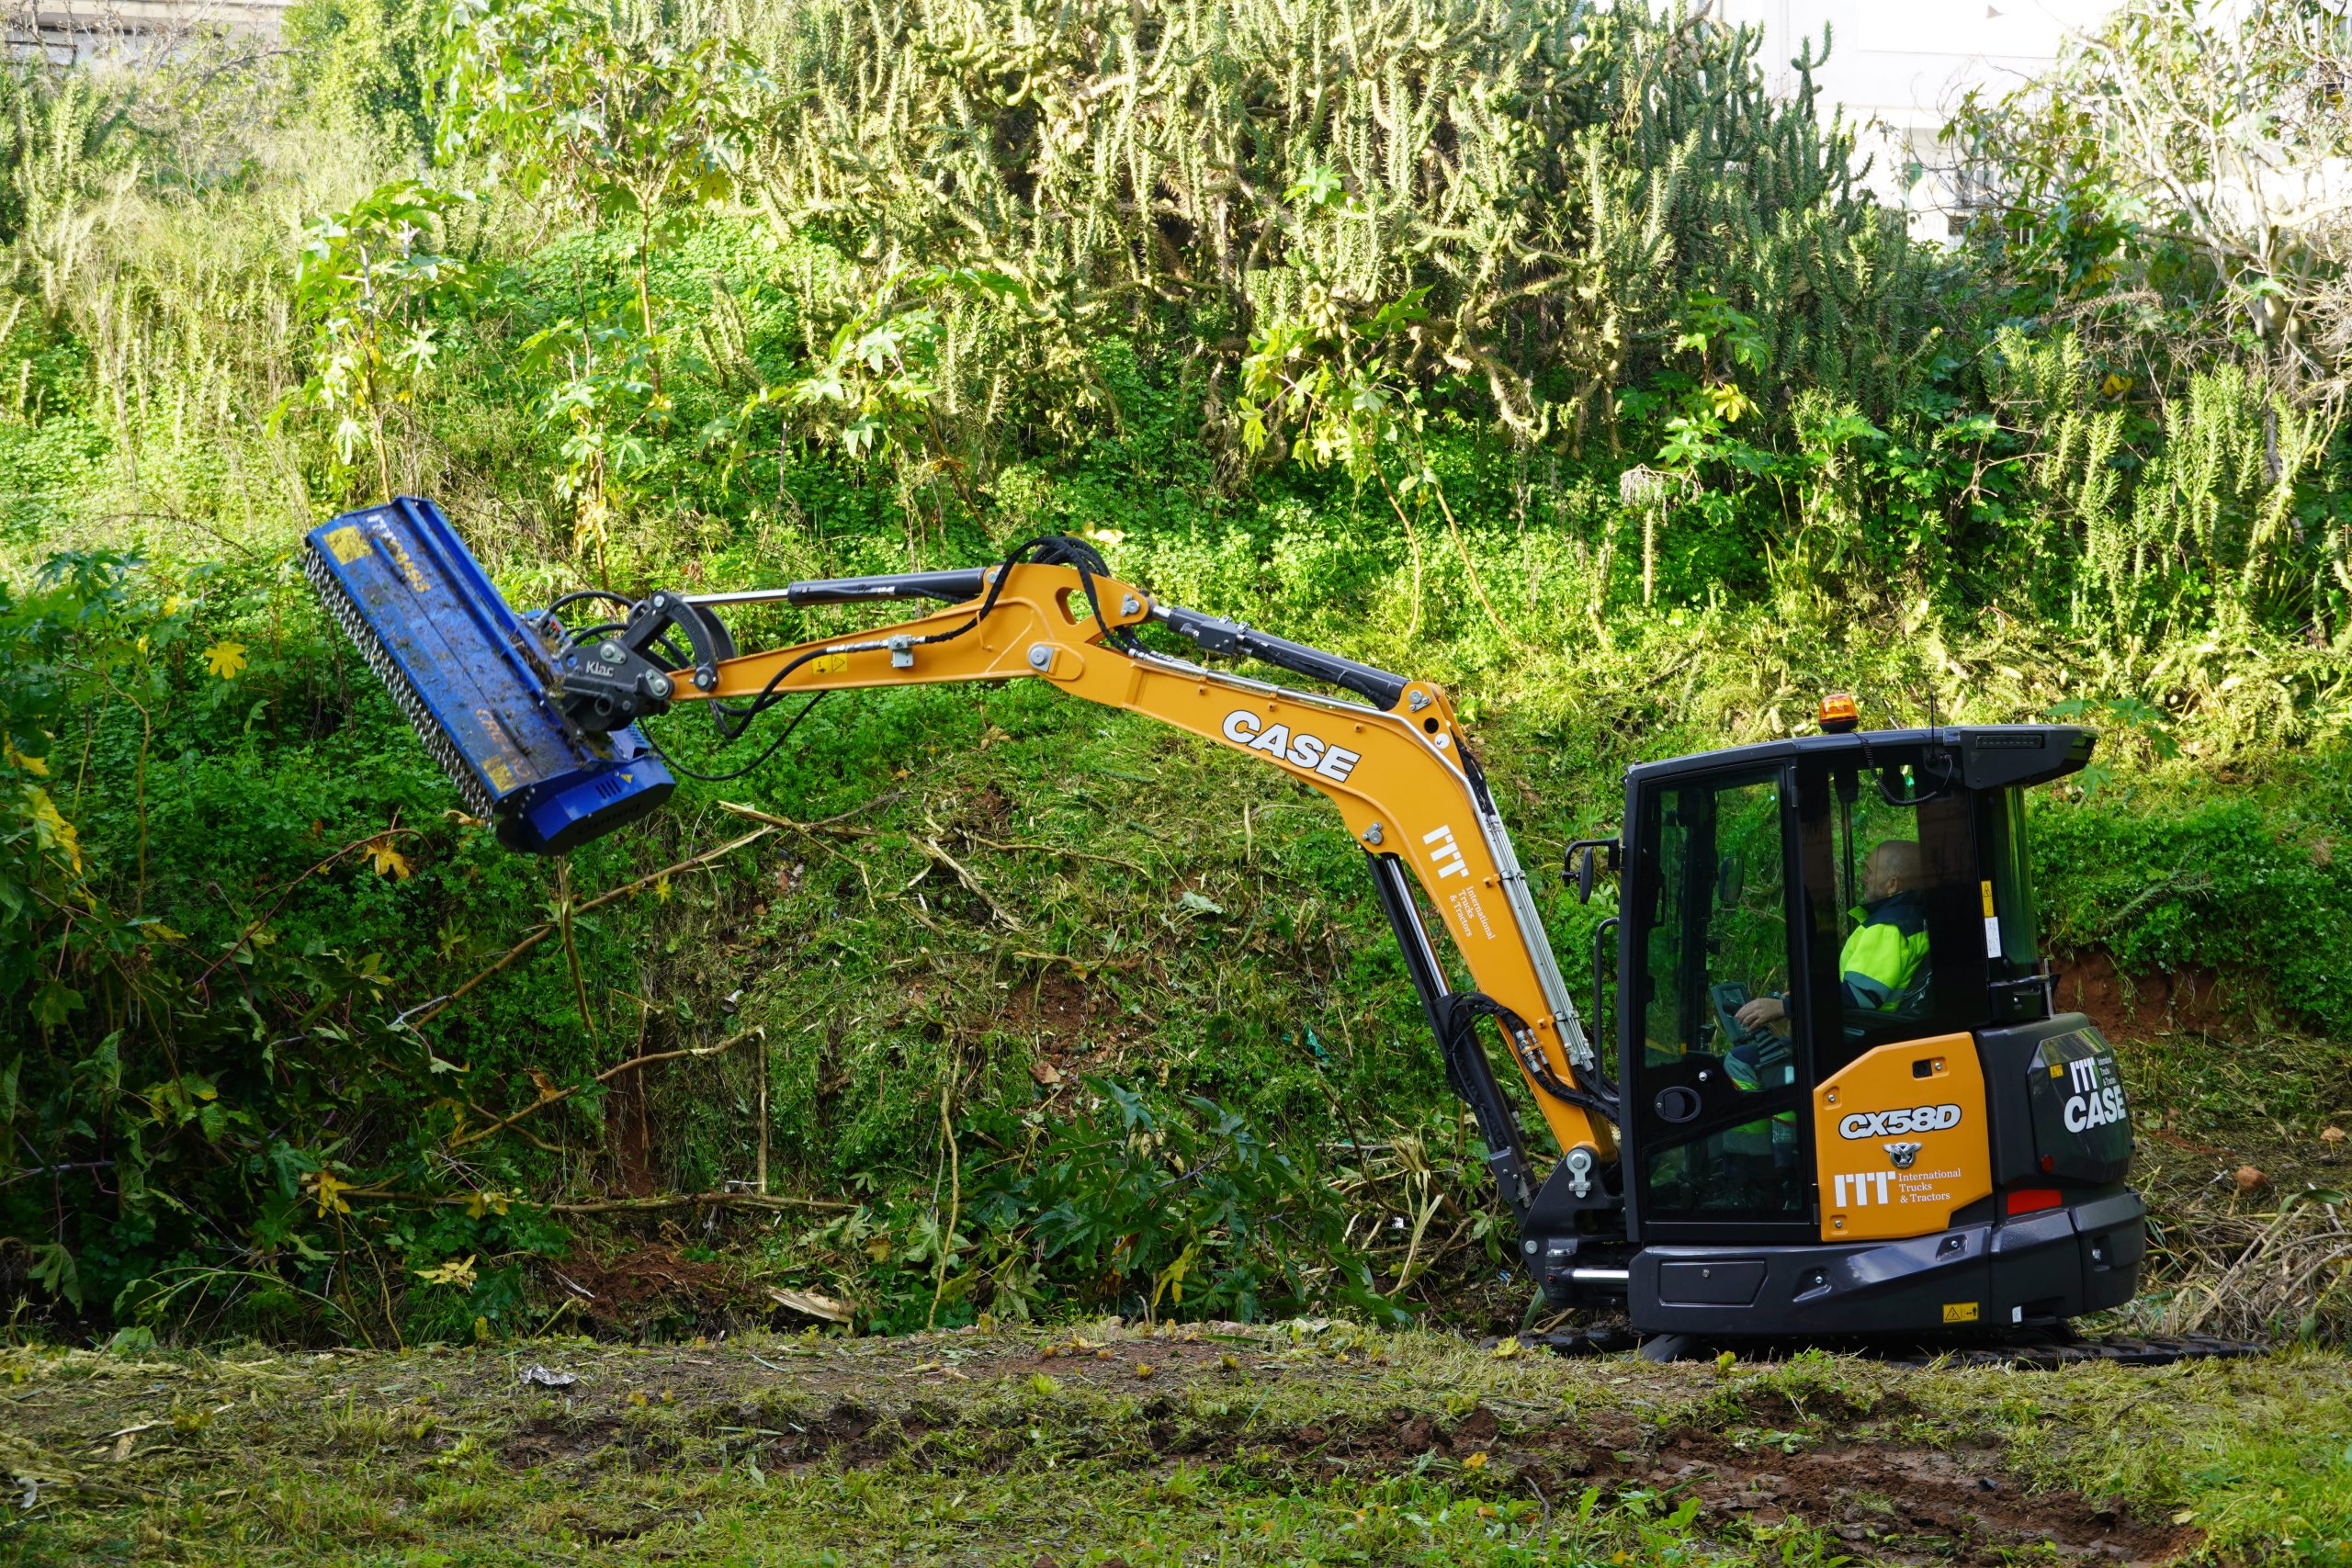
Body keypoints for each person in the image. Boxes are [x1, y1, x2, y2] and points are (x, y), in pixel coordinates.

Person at [1733, 838, 1930, 1031]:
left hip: (1859, 1033)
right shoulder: (1913, 919)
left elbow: (1858, 996)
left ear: (1892, 885)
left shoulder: (1887, 928)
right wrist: (1806, 995)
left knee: (1740, 1060)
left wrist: (1785, 1007)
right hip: (1867, 1028)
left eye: (1869, 872)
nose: (1863, 878)